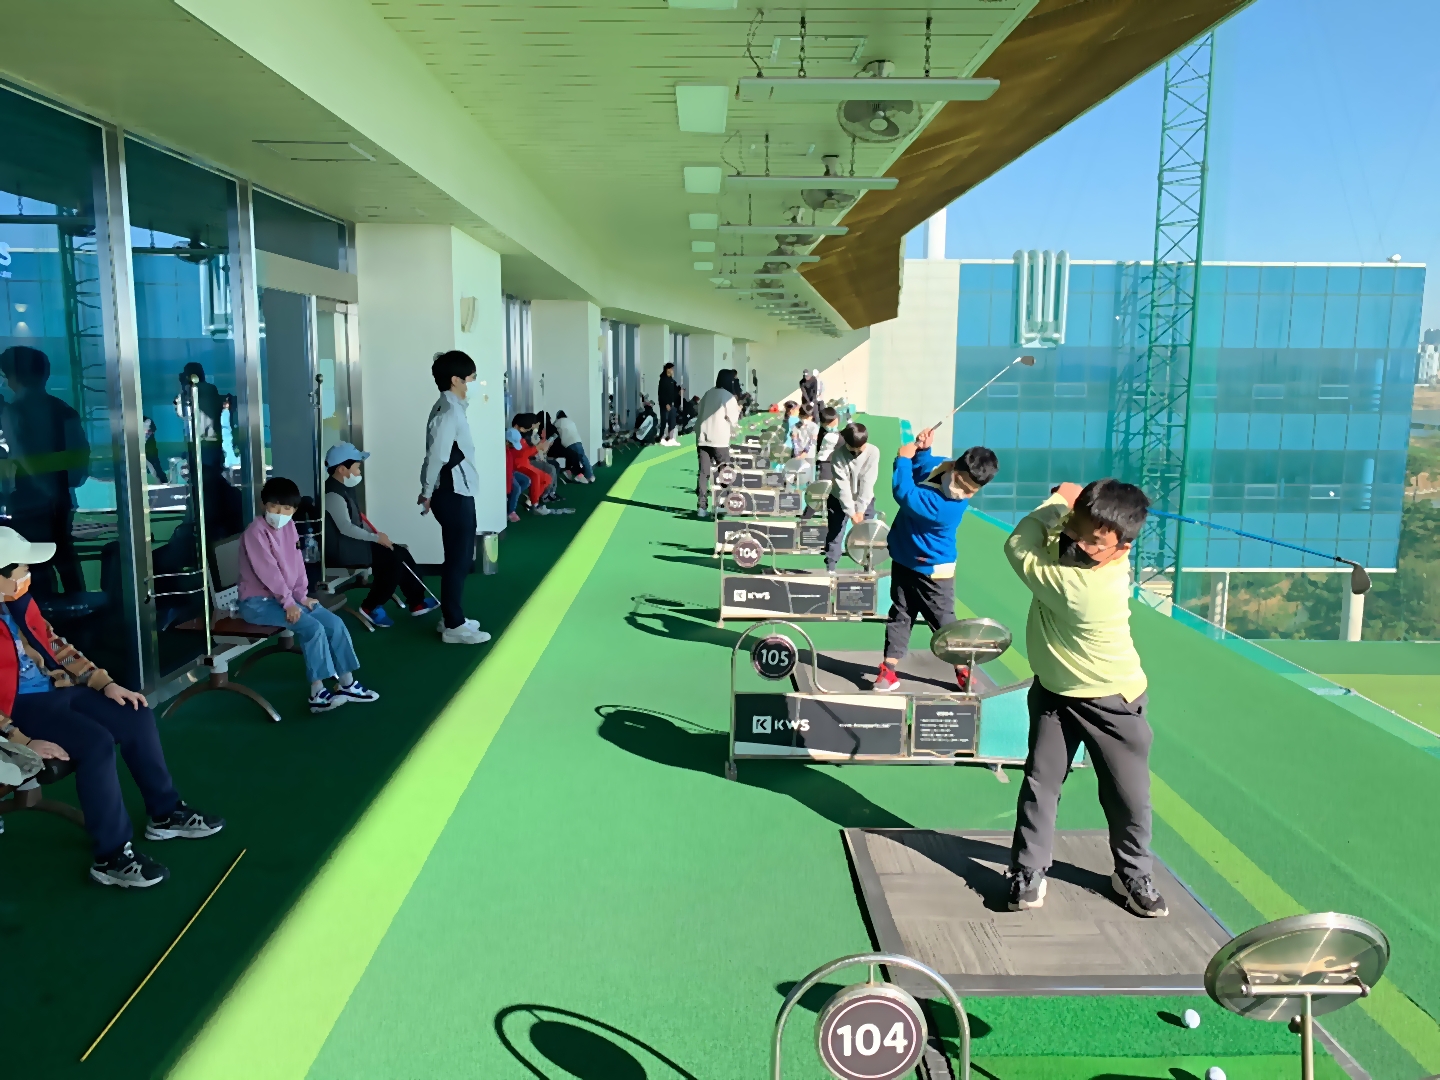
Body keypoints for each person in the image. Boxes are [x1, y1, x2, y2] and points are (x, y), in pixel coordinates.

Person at [0, 527, 224, 887]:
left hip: (58, 689)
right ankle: (112, 856)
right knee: (95, 743)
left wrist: (104, 683)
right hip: (19, 708)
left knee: (135, 715)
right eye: (21, 570)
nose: (28, 576)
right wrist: (21, 741)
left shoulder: (19, 602)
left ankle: (165, 814)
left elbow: (57, 647)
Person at [1003, 479, 1166, 919]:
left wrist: (1059, 501)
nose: (1077, 545)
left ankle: (1133, 874)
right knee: (1041, 783)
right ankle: (1028, 870)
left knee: (1128, 796)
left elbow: (1018, 544)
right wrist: (1074, 513)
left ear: (1122, 548)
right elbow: (1068, 532)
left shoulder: (1084, 589)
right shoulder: (1079, 548)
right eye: (1074, 531)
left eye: (1094, 543)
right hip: (1055, 693)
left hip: (1111, 701)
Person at [239, 477, 382, 710]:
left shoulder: (289, 527)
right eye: (274, 506)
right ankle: (318, 693)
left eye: (286, 508)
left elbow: (297, 564)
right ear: (265, 504)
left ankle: (347, 683)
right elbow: (269, 572)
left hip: (287, 598)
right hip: (258, 604)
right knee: (312, 628)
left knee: (334, 623)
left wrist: (301, 596)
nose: (280, 513)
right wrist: (289, 603)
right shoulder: (255, 532)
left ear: (294, 510)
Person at [874, 432, 998, 692]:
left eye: (970, 490)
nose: (962, 492)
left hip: (934, 571)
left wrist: (902, 459)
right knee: (900, 614)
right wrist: (922, 452)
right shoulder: (942, 467)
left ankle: (963, 669)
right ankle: (888, 669)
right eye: (961, 482)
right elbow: (923, 470)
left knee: (944, 623)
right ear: (955, 467)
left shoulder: (947, 507)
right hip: (904, 560)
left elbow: (904, 492)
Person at [0, 345, 90, 595]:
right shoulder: (64, 410)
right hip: (60, 499)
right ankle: (78, 608)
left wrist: (44, 490)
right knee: (65, 560)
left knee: (34, 568)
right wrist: (58, 490)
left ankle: (44, 615)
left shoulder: (14, 412)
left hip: (30, 502)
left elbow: (23, 456)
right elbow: (80, 461)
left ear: (15, 376)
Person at [323, 442, 439, 629]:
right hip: (343, 551)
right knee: (392, 560)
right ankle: (370, 607)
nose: (359, 471)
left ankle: (417, 602)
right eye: (357, 467)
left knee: (400, 552)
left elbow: (356, 521)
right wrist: (376, 538)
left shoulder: (344, 488)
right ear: (342, 469)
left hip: (353, 545)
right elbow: (345, 527)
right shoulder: (332, 494)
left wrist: (376, 535)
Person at [420, 352, 491, 644]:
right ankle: (453, 625)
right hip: (453, 493)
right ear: (455, 380)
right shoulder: (449, 412)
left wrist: (428, 490)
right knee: (459, 560)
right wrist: (427, 492)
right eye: (471, 378)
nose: (474, 383)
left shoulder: (450, 407)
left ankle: (451, 617)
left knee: (457, 557)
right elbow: (437, 456)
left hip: (455, 491)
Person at [822, 421, 880, 571]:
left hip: (865, 499)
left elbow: (868, 481)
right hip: (838, 499)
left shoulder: (873, 452)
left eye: (863, 445)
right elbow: (843, 487)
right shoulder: (837, 455)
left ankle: (868, 567)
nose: (861, 449)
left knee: (868, 535)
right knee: (835, 534)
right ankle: (831, 568)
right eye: (856, 448)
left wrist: (860, 509)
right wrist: (851, 512)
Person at [694, 371, 741, 519]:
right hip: (719, 440)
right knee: (724, 472)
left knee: (703, 473)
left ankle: (701, 507)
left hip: (702, 438)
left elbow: (699, 411)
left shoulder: (708, 393)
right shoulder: (728, 396)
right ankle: (724, 503)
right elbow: (734, 419)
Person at [553, 411, 593, 483]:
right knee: (583, 458)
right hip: (578, 440)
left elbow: (553, 430)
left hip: (569, 443)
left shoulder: (558, 422)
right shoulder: (570, 421)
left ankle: (579, 476)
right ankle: (590, 476)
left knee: (574, 460)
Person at [658, 362, 681, 446]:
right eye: (671, 369)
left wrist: (679, 391)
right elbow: (661, 393)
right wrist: (666, 404)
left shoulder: (671, 380)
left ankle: (671, 438)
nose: (673, 370)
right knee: (664, 421)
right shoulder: (663, 380)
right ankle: (661, 438)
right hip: (664, 405)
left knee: (672, 421)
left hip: (672, 404)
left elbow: (675, 390)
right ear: (667, 369)